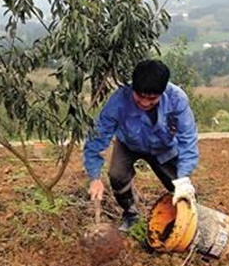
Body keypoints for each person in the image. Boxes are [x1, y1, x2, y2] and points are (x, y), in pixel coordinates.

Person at [83, 59, 199, 232]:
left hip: (164, 148)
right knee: (117, 175)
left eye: (152, 98)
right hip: (128, 144)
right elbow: (96, 138)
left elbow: (187, 139)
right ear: (133, 89)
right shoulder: (118, 100)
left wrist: (183, 178)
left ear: (162, 92)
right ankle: (131, 213)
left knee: (180, 188)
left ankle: (190, 222)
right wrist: (94, 177)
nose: (145, 103)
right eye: (140, 97)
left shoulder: (177, 99)